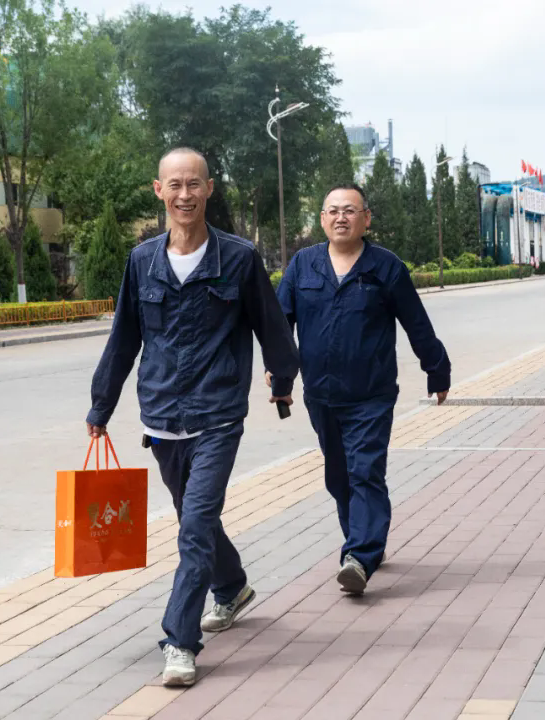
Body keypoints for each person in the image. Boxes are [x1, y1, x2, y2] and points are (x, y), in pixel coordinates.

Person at [85, 147, 300, 687]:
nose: (184, 194)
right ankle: (232, 589)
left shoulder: (239, 257)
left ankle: (180, 642)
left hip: (218, 415)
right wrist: (101, 405)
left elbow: (271, 326)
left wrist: (282, 379)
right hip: (160, 417)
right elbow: (124, 341)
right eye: (174, 185)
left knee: (194, 529)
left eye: (194, 184)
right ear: (158, 190)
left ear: (209, 189)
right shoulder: (142, 262)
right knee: (194, 521)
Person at [272, 183, 451, 596]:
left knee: (365, 470)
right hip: (321, 395)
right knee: (339, 477)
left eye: (349, 210)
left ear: (365, 218)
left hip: (371, 395)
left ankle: (360, 556)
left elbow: (416, 323)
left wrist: (437, 370)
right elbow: (281, 328)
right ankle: (364, 540)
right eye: (332, 210)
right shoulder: (303, 265)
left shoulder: (385, 267)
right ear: (321, 219)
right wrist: (281, 382)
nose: (340, 217)